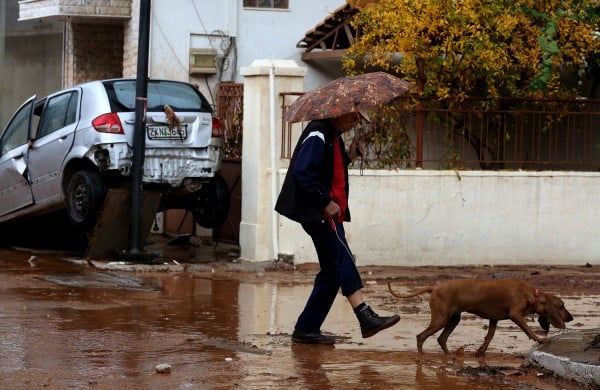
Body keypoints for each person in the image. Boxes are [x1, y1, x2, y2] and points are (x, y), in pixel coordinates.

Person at [275, 109, 400, 344]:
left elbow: (326, 170)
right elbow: (303, 171)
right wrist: (324, 201)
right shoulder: (318, 134)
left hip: (327, 212)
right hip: (320, 213)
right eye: (353, 117)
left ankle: (306, 328)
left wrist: (349, 157)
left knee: (332, 272)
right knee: (343, 258)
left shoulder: (330, 135)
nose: (354, 123)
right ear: (337, 113)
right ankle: (364, 315)